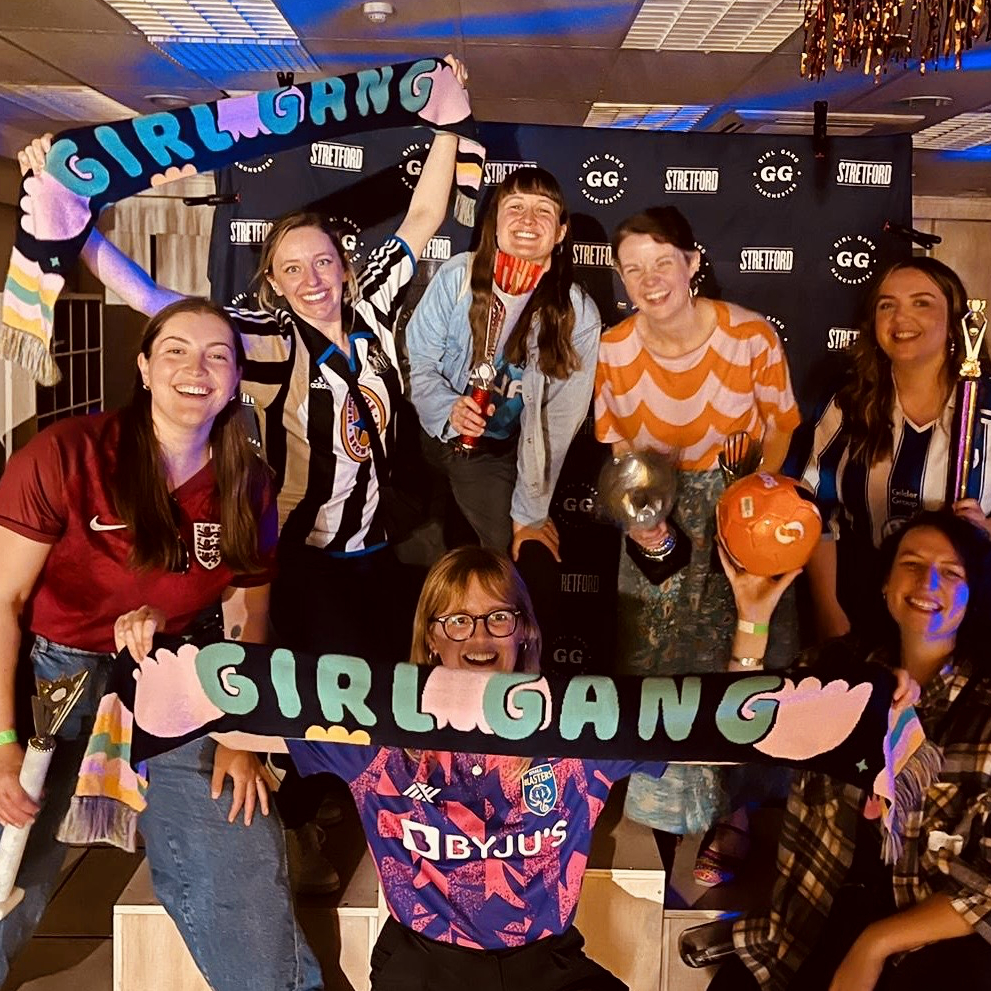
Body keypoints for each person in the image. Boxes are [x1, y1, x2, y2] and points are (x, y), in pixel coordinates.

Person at [20, 70, 466, 888]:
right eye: (292, 269)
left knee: (377, 692)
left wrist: (447, 124)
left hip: (376, 549)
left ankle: (367, 816)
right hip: (301, 558)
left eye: (322, 261)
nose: (312, 278)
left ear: (344, 265)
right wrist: (71, 217)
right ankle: (308, 829)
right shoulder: (263, 339)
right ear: (273, 283)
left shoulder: (372, 309)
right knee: (314, 702)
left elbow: (424, 217)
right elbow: (152, 298)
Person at [0, 299, 321, 990]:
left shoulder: (247, 480)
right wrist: (1, 740)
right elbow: (5, 602)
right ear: (144, 366)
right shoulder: (66, 454)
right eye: (175, 350)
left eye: (216, 355)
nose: (195, 368)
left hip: (181, 674)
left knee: (236, 839)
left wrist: (240, 734)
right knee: (9, 852)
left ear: (235, 379)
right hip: (55, 679)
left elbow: (249, 612)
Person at [214, 545, 664, 990]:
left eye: (498, 617)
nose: (479, 637)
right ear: (431, 637)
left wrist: (726, 609)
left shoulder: (575, 728)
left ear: (524, 629)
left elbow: (703, 727)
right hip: (425, 965)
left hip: (548, 964)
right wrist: (233, 742)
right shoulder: (383, 734)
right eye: (458, 621)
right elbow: (237, 716)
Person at [594, 206, 801, 886]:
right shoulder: (615, 346)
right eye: (633, 269)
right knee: (655, 657)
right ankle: (656, 808)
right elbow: (620, 447)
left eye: (663, 262)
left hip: (737, 509)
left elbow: (781, 426)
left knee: (739, 654)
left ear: (691, 262)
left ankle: (735, 813)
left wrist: (749, 493)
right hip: (657, 512)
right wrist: (643, 517)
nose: (649, 279)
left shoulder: (749, 334)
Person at [709, 509, 991, 991]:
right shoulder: (836, 673)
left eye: (952, 573)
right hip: (807, 928)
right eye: (911, 563)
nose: (927, 582)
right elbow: (737, 733)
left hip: (930, 950)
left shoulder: (983, 714)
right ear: (885, 585)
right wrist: (753, 620)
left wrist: (873, 946)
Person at [405, 167, 601, 562]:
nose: (527, 220)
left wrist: (529, 513)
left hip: (491, 452)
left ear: (560, 232)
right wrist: (449, 409)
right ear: (495, 222)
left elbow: (557, 423)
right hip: (423, 435)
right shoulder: (457, 277)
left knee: (503, 558)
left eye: (543, 210)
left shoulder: (578, 316)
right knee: (413, 552)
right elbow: (418, 365)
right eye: (515, 207)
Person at [796, 257, 991, 640]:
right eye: (887, 305)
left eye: (921, 302)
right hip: (861, 601)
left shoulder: (984, 405)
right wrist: (829, 610)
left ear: (956, 321)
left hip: (967, 604)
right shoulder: (848, 402)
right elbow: (815, 512)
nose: (901, 318)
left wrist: (985, 530)